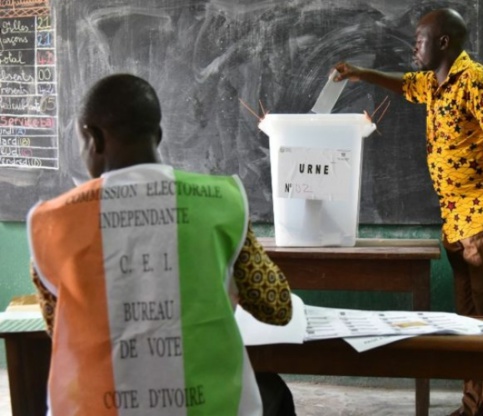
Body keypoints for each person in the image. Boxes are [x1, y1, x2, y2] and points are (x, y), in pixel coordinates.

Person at [27, 74, 296, 416]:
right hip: (211, 407)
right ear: (158, 135)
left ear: (93, 138)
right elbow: (277, 308)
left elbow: (61, 329)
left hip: (96, 407)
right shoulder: (220, 202)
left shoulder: (53, 223)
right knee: (273, 391)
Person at [334, 8, 483, 416]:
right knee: (469, 323)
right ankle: (473, 406)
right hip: (457, 224)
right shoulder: (436, 86)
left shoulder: (477, 80)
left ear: (443, 42)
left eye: (419, 40)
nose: (413, 48)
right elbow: (404, 84)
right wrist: (359, 73)